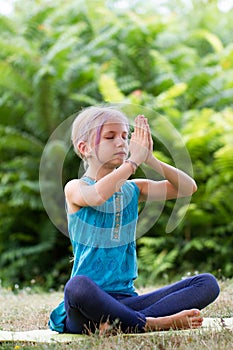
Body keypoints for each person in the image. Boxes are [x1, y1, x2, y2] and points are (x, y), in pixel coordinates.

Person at [48, 106, 220, 335]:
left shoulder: (133, 189)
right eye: (110, 137)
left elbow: (188, 188)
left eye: (125, 136)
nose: (121, 143)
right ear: (84, 148)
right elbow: (98, 196)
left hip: (126, 302)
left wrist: (150, 159)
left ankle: (121, 324)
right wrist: (132, 164)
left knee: (206, 284)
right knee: (77, 286)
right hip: (86, 308)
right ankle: (152, 324)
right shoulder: (75, 188)